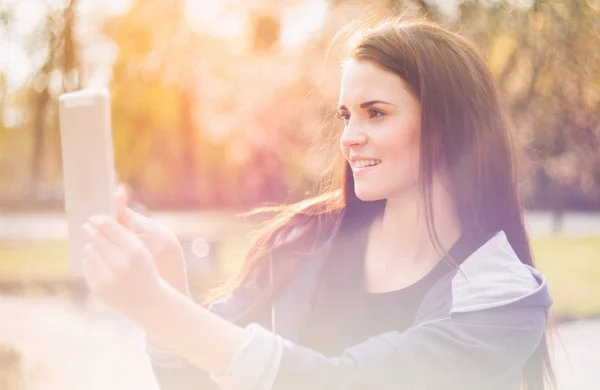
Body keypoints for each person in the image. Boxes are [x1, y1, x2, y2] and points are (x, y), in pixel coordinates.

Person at [80, 19, 554, 390]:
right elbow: (198, 379)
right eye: (347, 115)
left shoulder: (504, 299)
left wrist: (161, 307)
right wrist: (168, 282)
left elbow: (341, 384)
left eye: (376, 113)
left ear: (450, 128)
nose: (349, 137)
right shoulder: (302, 240)